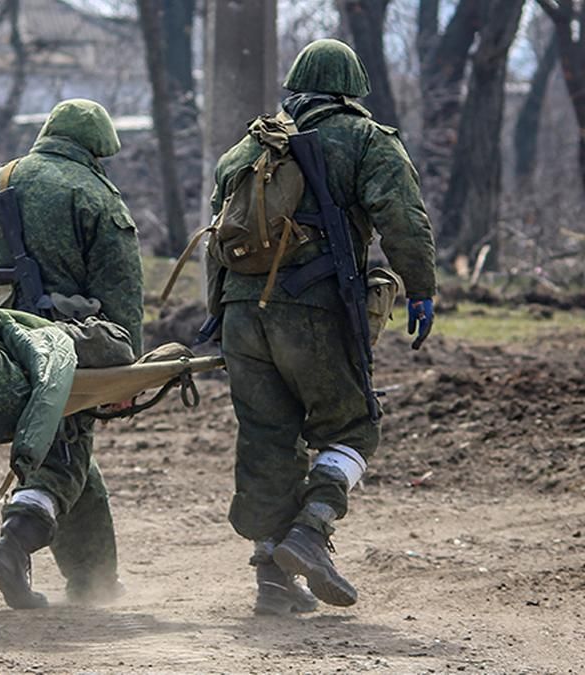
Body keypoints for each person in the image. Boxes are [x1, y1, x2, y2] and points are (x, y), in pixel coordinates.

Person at [209, 39, 437, 613]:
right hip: (313, 310)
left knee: (266, 439)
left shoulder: (246, 147)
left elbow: (218, 238)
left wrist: (218, 318)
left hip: (241, 315)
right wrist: (422, 287)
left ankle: (271, 578)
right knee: (353, 426)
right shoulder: (366, 139)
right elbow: (402, 219)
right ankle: (311, 531)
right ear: (352, 87)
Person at [0, 99, 143, 608]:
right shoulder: (98, 198)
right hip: (66, 348)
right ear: (96, 150)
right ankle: (14, 542)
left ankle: (93, 581)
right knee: (66, 450)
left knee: (70, 451)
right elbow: (122, 294)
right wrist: (129, 377)